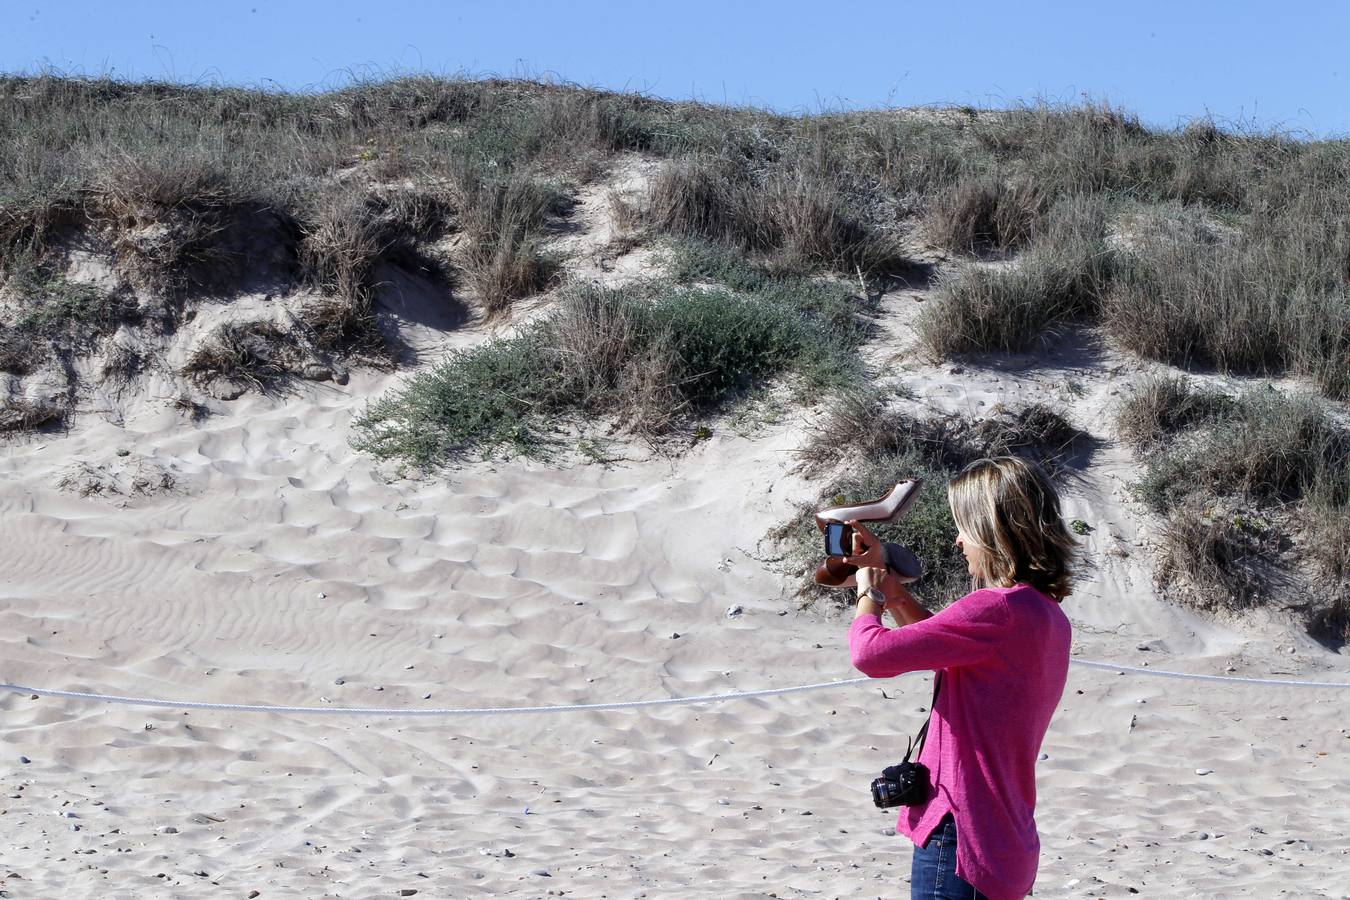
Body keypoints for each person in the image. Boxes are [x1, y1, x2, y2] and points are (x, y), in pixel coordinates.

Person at [845, 456, 1077, 900]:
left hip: (961, 835)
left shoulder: (996, 608)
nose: (957, 540)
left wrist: (869, 594)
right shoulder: (1043, 613)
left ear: (994, 532)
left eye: (964, 528)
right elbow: (951, 654)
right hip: (1005, 834)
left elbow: (869, 655)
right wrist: (895, 594)